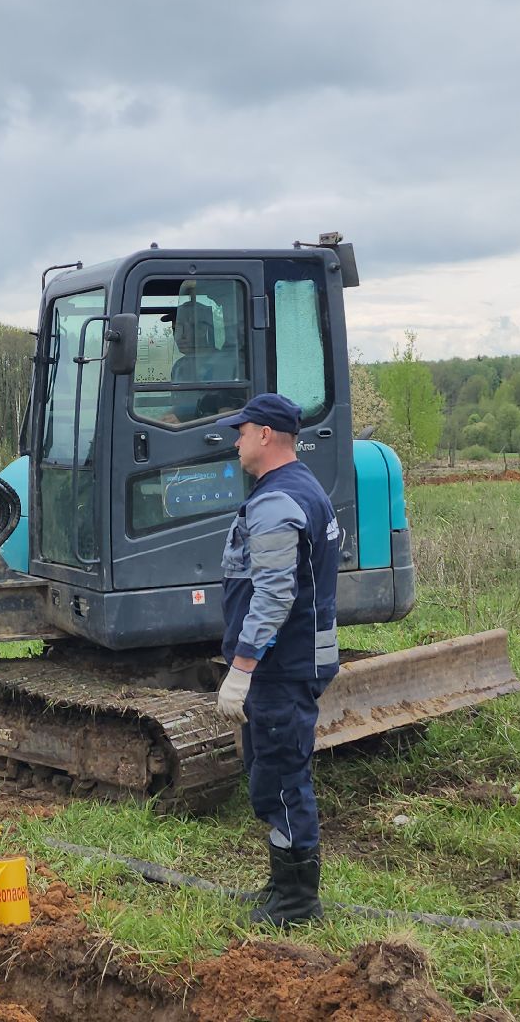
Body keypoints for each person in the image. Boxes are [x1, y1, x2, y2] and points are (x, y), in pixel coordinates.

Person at [212, 392, 341, 927]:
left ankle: (296, 902)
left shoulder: (275, 503)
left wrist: (241, 669)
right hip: (299, 658)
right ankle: (281, 886)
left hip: (281, 664)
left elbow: (272, 595)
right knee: (273, 770)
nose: (236, 441)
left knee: (283, 776)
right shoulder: (306, 488)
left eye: (242, 432)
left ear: (266, 435)